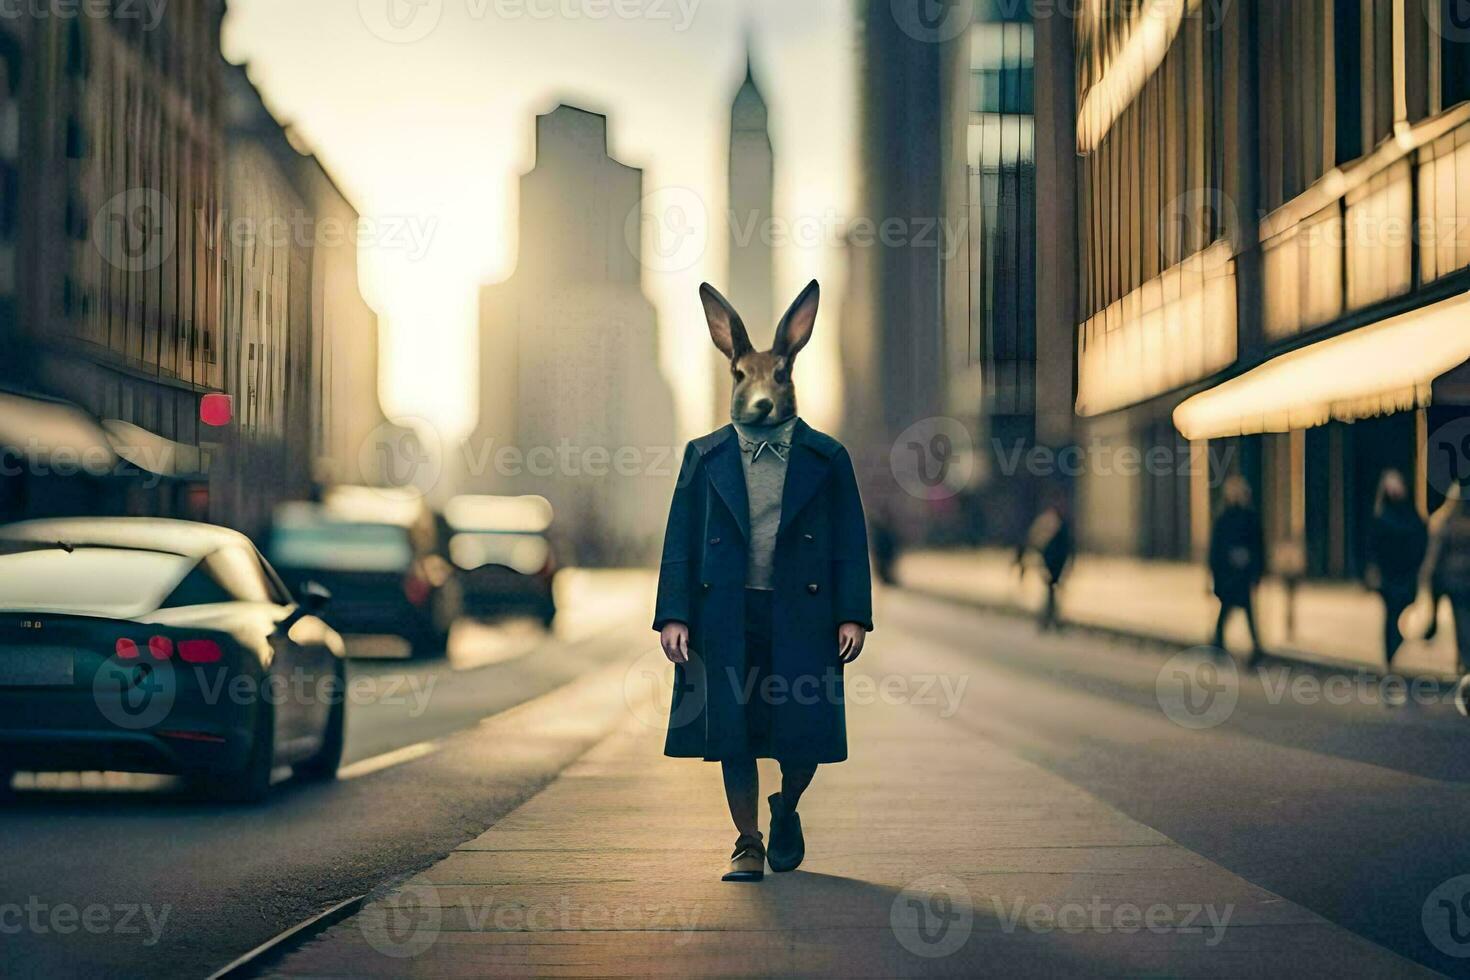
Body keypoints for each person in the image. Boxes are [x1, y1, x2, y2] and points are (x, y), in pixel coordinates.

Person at [654, 281, 873, 883]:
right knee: (735, 730)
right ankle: (746, 841)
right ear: (733, 376)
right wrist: (674, 613)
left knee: (802, 733)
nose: (761, 391)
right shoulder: (705, 456)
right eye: (747, 377)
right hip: (727, 613)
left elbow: (850, 541)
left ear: (791, 374)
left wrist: (852, 612)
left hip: (800, 615)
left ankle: (788, 805)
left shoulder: (827, 459)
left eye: (775, 376)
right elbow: (681, 538)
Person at [1366, 470, 1428, 665]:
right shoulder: (1382, 516)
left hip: (1408, 573)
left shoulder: (1411, 514)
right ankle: (1390, 656)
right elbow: (1373, 547)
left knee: (1404, 608)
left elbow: (1420, 539)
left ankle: (1395, 649)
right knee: (1392, 614)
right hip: (1389, 574)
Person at [1208, 476, 1265, 661]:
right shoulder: (1224, 519)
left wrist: (1256, 570)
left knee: (1239, 610)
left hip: (1242, 574)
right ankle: (1221, 643)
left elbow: (1258, 546)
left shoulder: (1249, 517)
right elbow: (1216, 549)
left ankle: (1251, 647)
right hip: (1229, 574)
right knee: (1229, 610)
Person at [1426, 481, 1470, 676]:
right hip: (1461, 578)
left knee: (1461, 622)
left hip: (1454, 579)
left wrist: (1429, 576)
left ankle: (1464, 662)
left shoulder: (1444, 520)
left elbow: (1435, 554)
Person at [1016, 497, 1073, 632]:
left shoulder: (1052, 523)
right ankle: (1050, 620)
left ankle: (1048, 620)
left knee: (1051, 593)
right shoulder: (1053, 523)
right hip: (1052, 564)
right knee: (1052, 592)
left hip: (1053, 564)